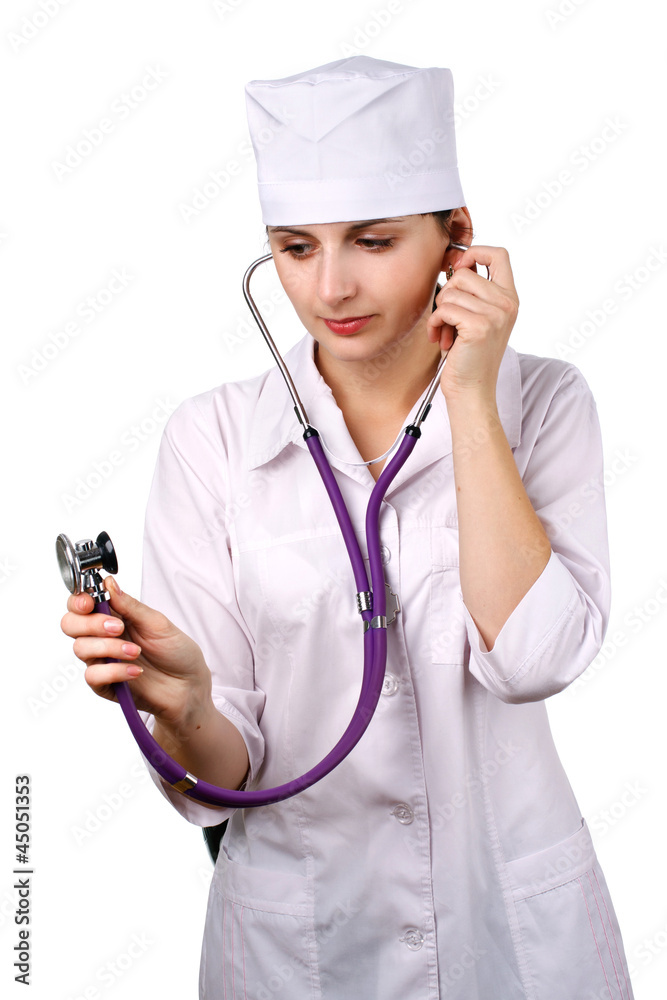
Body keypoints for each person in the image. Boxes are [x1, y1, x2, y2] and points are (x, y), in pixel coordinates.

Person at [60, 56, 635, 1000]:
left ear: (456, 239)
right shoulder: (211, 442)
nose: (330, 288)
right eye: (295, 248)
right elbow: (221, 777)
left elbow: (533, 660)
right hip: (299, 948)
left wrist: (472, 399)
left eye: (372, 241)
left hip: (511, 931)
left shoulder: (544, 405)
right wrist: (189, 705)